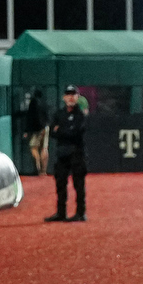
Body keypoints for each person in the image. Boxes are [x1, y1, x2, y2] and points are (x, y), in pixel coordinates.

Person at [44, 86, 88, 222]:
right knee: (60, 184)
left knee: (78, 184)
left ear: (77, 97)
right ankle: (61, 213)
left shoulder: (81, 115)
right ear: (64, 97)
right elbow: (52, 132)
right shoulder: (59, 113)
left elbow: (76, 132)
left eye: (73, 94)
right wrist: (65, 130)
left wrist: (61, 130)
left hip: (77, 154)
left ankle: (81, 213)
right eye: (68, 94)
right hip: (62, 154)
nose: (70, 97)